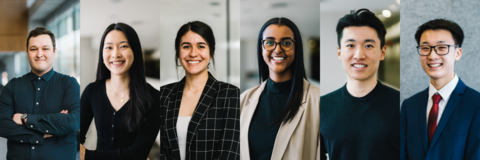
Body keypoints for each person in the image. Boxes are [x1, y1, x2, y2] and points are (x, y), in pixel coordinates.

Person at [320, 8, 400, 160]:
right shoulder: (321, 107)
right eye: (350, 45)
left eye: (368, 46)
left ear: (382, 52)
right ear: (339, 53)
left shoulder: (402, 106)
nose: (359, 55)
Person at [240, 17, 320, 160]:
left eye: (286, 43)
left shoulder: (318, 100)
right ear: (262, 48)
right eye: (269, 42)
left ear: (296, 48)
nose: (278, 49)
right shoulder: (243, 100)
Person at [159, 21, 240, 160]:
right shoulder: (164, 94)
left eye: (201, 46)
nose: (193, 53)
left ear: (211, 53)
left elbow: (230, 153)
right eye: (186, 46)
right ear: (178, 53)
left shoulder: (230, 95)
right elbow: (162, 152)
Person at [79, 23, 160, 160]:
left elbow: (138, 153)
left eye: (123, 46)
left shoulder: (154, 98)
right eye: (109, 47)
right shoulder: (92, 92)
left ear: (135, 51)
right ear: (102, 54)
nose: (115, 54)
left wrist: (87, 155)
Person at [401, 19, 480, 160]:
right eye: (425, 48)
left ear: (458, 53)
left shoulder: (476, 104)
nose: (432, 56)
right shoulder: (409, 106)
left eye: (442, 48)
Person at [0, 27, 80, 159]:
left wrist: (24, 119)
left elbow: (72, 122)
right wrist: (41, 134)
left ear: (54, 52)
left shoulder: (69, 84)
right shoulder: (12, 86)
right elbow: (2, 125)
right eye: (33, 49)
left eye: (45, 48)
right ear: (27, 53)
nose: (39, 54)